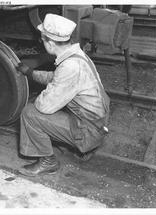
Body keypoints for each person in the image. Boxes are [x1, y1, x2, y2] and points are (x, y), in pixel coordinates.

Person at [16, 13, 110, 177]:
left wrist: (43, 94)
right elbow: (56, 78)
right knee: (60, 106)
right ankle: (81, 148)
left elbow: (44, 106)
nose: (42, 42)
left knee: (30, 113)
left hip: (88, 131)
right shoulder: (77, 56)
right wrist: (31, 73)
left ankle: (48, 162)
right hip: (96, 122)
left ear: (51, 44)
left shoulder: (70, 67)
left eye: (42, 40)